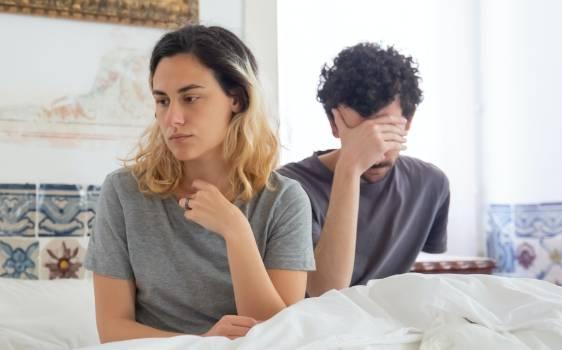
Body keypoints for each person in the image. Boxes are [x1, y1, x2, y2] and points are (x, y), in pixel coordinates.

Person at [84, 25, 315, 343]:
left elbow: (280, 337)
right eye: (163, 101)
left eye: (190, 98)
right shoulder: (124, 192)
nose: (172, 118)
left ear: (236, 98)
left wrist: (236, 231)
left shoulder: (285, 200)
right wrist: (203, 343)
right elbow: (112, 330)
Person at [278, 42, 449, 297]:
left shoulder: (430, 184)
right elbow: (325, 291)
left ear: (408, 122)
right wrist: (349, 168)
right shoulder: (288, 187)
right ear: (334, 125)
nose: (376, 151)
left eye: (385, 131)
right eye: (362, 135)